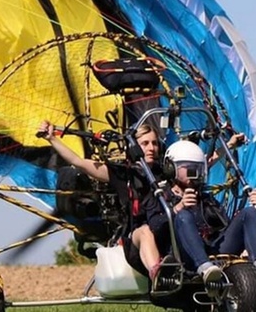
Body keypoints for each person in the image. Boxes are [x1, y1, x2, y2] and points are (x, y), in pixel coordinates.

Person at [37, 121, 164, 284]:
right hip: (137, 239)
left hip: (164, 232)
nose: (151, 148)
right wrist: (52, 139)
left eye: (154, 143)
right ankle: (159, 276)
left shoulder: (165, 173)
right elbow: (79, 162)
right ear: (134, 147)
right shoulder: (122, 174)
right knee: (146, 231)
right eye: (145, 143)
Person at [144, 140, 256, 284]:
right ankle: (204, 268)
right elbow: (154, 226)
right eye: (189, 168)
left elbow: (225, 227)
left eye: (197, 168)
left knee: (249, 213)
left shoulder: (205, 198)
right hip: (183, 255)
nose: (194, 173)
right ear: (171, 168)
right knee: (184, 216)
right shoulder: (161, 195)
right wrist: (178, 207)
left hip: (213, 253)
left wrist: (254, 207)